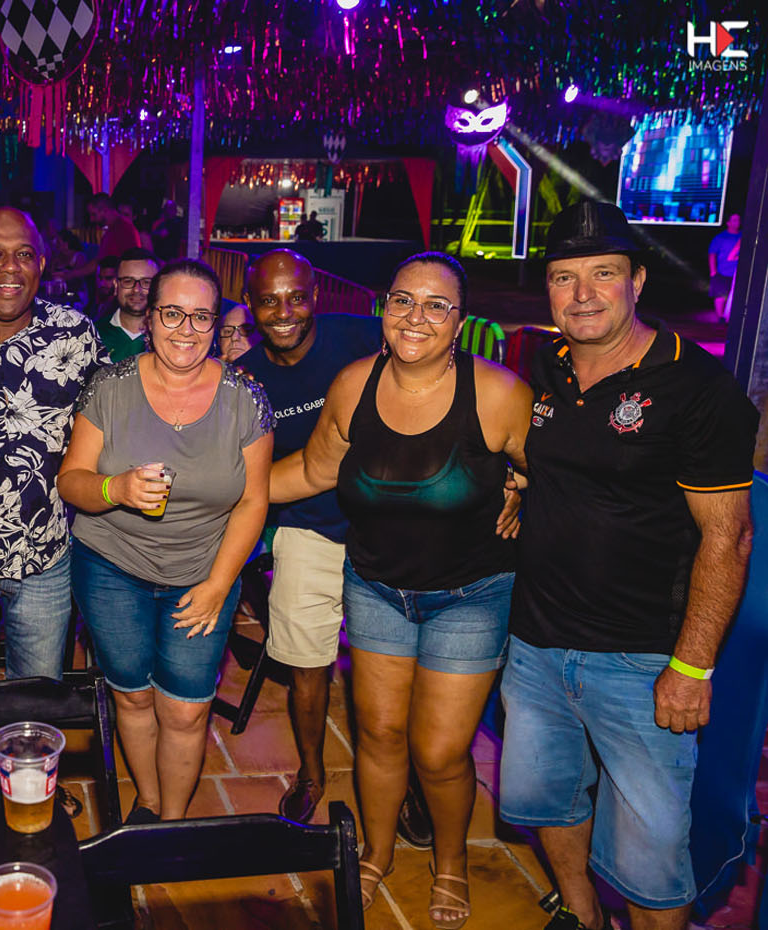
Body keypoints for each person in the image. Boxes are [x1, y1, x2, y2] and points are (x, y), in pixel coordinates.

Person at [498, 202, 758, 930]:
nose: (582, 294)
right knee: (548, 803)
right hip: (536, 642)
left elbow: (730, 537)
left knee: (652, 864)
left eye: (603, 274)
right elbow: (562, 462)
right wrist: (517, 485)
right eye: (564, 277)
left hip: (641, 661)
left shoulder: (696, 388)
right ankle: (581, 912)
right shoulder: (546, 364)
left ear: (637, 281)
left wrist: (692, 667)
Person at [270, 251, 531, 927]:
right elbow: (314, 469)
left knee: (439, 752)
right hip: (377, 587)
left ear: (460, 321)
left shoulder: (498, 393)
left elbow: (554, 474)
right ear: (383, 308)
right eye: (403, 300)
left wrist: (524, 488)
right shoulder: (354, 384)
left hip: (470, 595)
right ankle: (377, 852)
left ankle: (451, 862)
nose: (417, 316)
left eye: (437, 305)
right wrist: (219, 490)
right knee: (380, 734)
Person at [59, 259, 272, 822]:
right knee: (131, 695)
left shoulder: (246, 399)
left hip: (204, 572)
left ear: (217, 325)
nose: (185, 329)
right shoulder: (109, 386)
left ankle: (172, 822)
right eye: (172, 313)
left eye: (201, 317)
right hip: (111, 567)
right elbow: (72, 481)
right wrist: (118, 488)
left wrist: (219, 586)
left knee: (185, 708)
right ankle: (149, 804)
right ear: (149, 318)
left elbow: (254, 501)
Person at [0, 207, 109, 685]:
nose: (10, 268)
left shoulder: (76, 334)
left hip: (46, 551)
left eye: (24, 255)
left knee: (39, 701)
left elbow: (116, 410)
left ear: (42, 265)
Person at [234, 250, 382, 826]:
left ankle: (408, 780)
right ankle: (312, 772)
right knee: (305, 663)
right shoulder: (247, 378)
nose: (285, 311)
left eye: (296, 297)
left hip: (383, 526)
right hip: (306, 526)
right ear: (250, 305)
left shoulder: (363, 336)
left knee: (385, 670)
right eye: (269, 300)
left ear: (315, 295)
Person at [94, 247, 158, 362]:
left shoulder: (168, 337)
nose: (137, 289)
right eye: (128, 281)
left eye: (146, 282)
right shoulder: (93, 335)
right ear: (116, 286)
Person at [708, 213, 741, 320]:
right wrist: (713, 271)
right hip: (723, 271)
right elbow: (712, 254)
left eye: (738, 220)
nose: (737, 222)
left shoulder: (742, 235)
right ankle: (720, 317)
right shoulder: (720, 237)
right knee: (720, 294)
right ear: (728, 223)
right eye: (734, 220)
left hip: (738, 272)